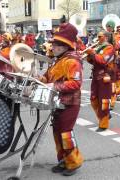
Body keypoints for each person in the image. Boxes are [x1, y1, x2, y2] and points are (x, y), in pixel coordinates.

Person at [39, 23, 84, 176]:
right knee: (57, 133)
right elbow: (48, 76)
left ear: (66, 46)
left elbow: (75, 83)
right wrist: (40, 78)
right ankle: (63, 160)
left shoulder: (72, 61)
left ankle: (73, 162)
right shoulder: (57, 60)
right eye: (54, 44)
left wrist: (54, 86)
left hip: (70, 103)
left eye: (58, 45)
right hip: (57, 102)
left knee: (65, 133)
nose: (54, 47)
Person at [85, 31, 115, 131]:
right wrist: (89, 55)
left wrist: (93, 53)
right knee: (93, 99)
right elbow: (92, 61)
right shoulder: (99, 47)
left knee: (104, 101)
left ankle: (103, 123)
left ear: (106, 37)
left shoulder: (110, 48)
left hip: (105, 77)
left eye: (100, 36)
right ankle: (104, 115)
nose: (98, 38)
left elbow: (103, 61)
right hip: (95, 76)